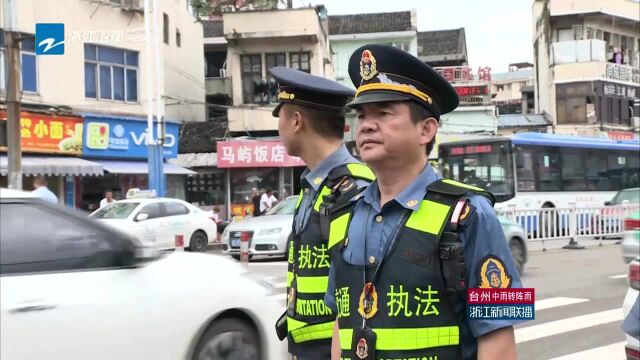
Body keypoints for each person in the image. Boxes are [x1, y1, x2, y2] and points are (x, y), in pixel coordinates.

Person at [324, 44, 526, 360]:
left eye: (384, 112)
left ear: (426, 129)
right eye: (361, 114)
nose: (365, 124)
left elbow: (500, 340)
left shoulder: (472, 214)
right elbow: (341, 325)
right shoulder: (342, 216)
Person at [270, 66, 375, 360]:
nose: (278, 125)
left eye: (279, 115)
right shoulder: (313, 186)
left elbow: (354, 289)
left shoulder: (351, 189)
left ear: (296, 121)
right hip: (305, 348)